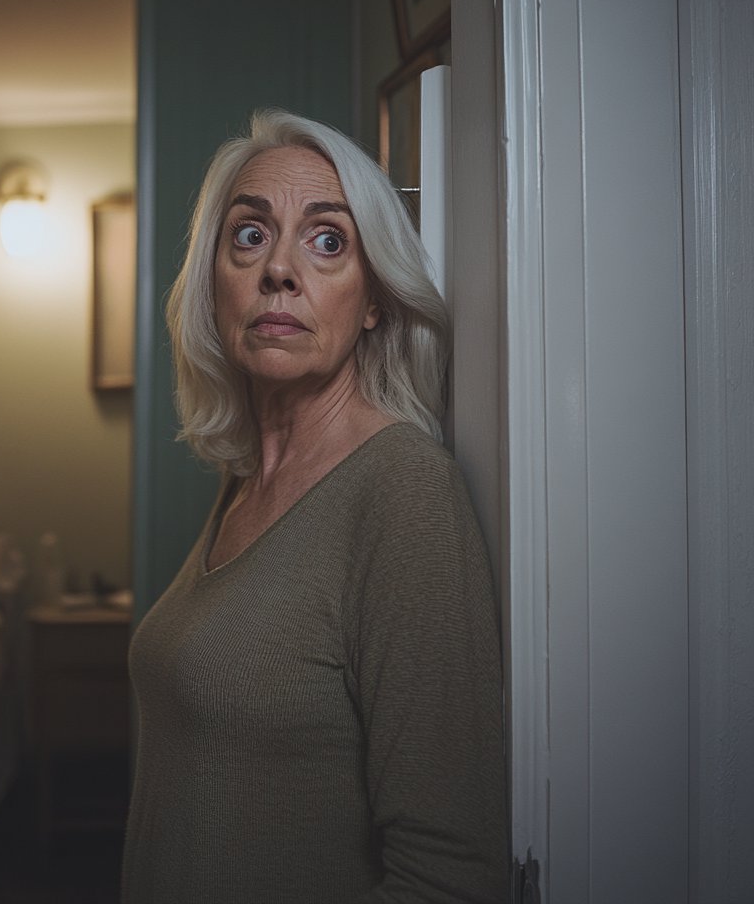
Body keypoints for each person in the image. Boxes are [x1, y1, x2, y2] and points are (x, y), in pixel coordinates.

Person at [121, 109, 509, 903]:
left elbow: (450, 874)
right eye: (250, 235)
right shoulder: (245, 476)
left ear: (373, 299)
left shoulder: (406, 491)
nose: (279, 269)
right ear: (214, 280)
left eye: (328, 240)